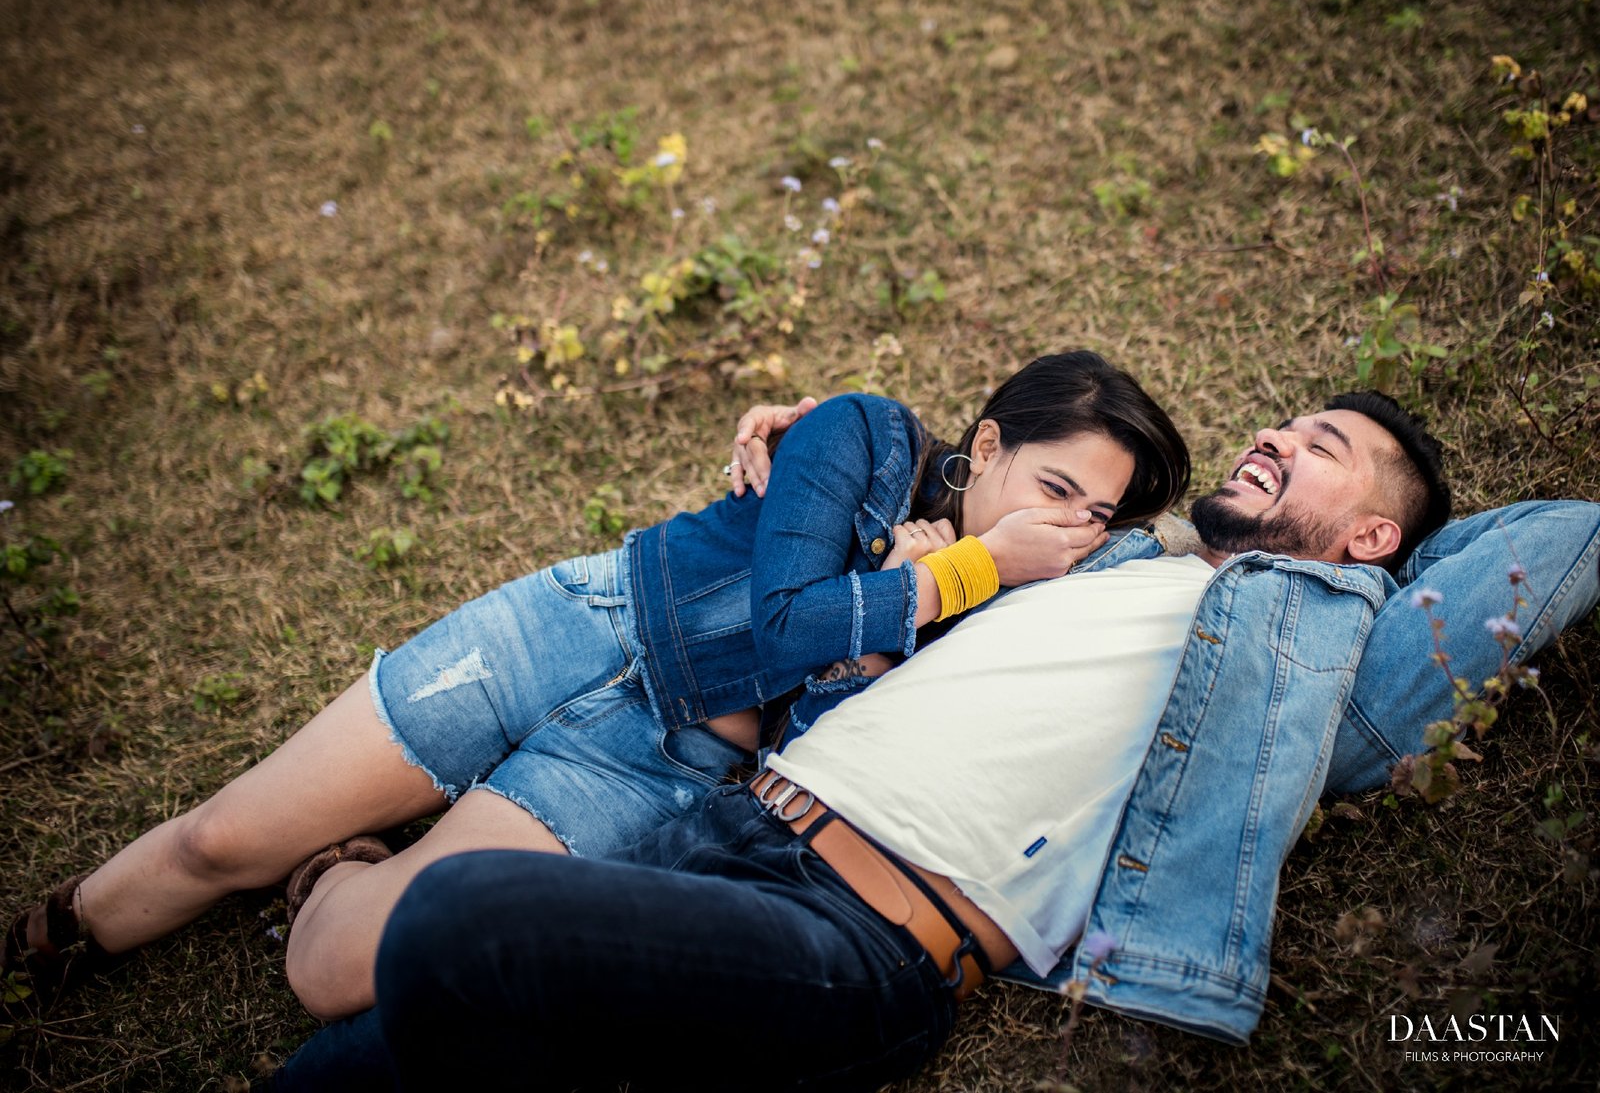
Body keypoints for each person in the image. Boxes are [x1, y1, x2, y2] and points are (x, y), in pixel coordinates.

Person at [264, 390, 1600, 1091]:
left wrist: (1392, 552)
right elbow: (980, 472)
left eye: (1324, 450)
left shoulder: (1313, 647)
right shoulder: (1111, 560)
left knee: (459, 924)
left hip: (860, 942)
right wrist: (811, 444)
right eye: (1288, 422)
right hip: (724, 836)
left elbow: (1551, 546)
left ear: (1375, 540)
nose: (1277, 437)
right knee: (354, 1058)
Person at [4, 351, 1192, 1022]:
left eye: (1094, 517)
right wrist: (954, 573)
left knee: (336, 975)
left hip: (660, 761)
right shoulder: (865, 435)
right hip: (582, 629)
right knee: (218, 840)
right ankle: (52, 937)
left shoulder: (1014, 620)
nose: (1067, 532)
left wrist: (929, 608)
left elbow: (795, 709)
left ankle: (343, 864)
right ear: (984, 446)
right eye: (1053, 489)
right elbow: (768, 625)